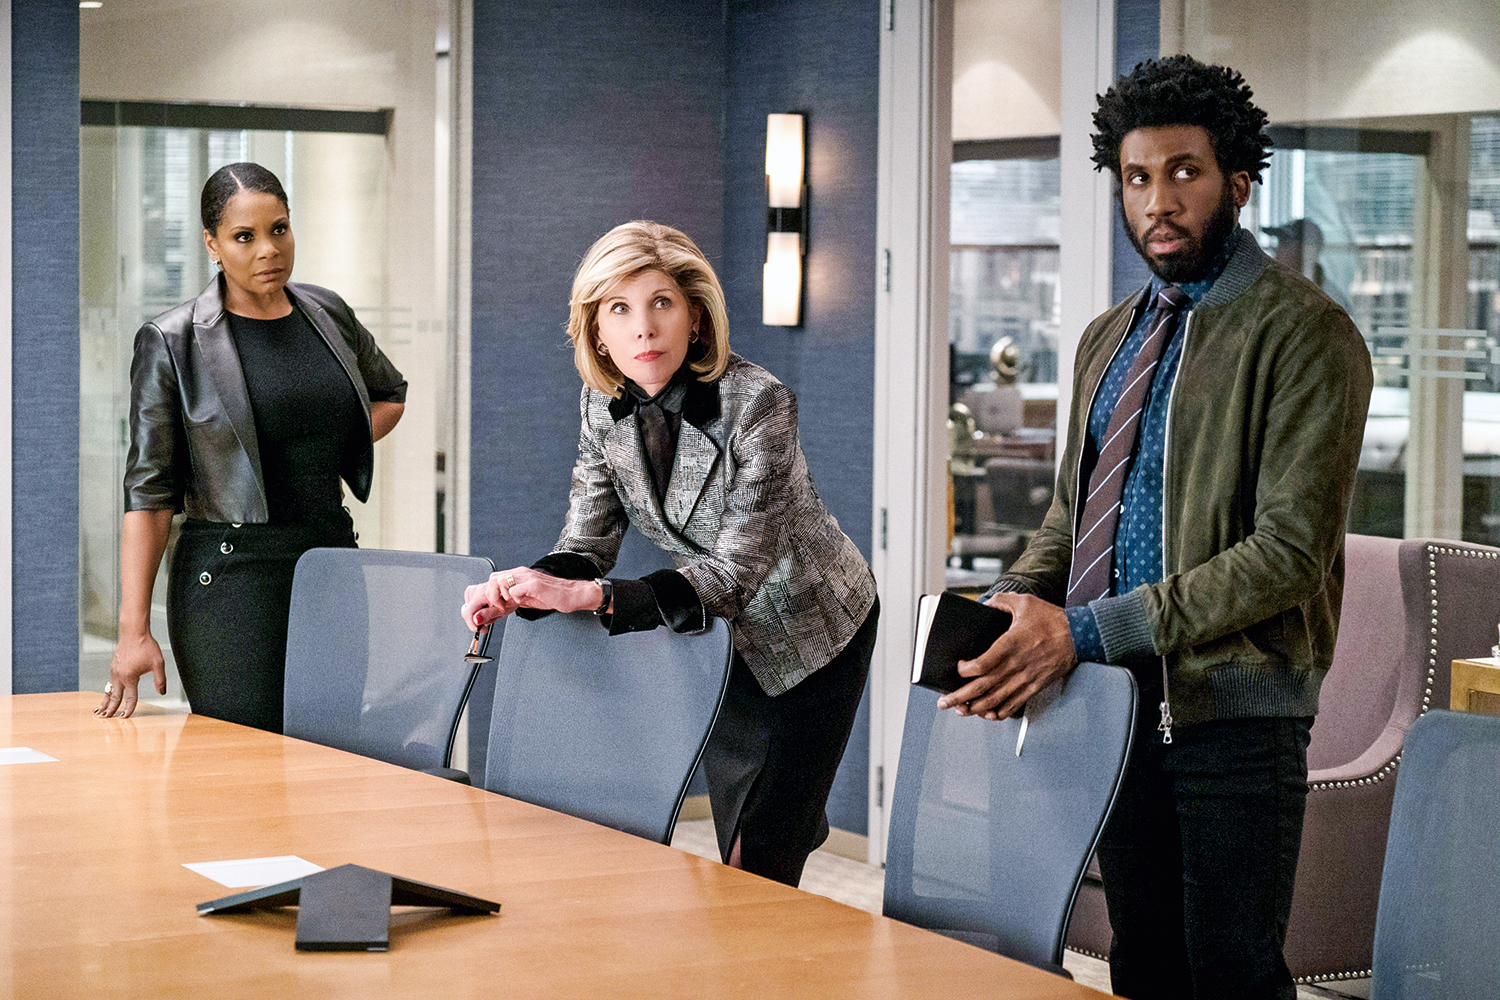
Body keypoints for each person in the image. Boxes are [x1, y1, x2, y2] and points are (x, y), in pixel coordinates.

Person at [937, 56, 1372, 1000]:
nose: (1158, 201)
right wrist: (1017, 600)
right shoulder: (1109, 336)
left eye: (1184, 172)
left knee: (1232, 975)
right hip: (1111, 703)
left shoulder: (1306, 334)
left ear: (1238, 183)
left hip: (1234, 718)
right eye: (1137, 177)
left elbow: (1288, 555)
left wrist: (1081, 631)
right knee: (1141, 966)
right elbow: (1073, 515)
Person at [461, 221, 878, 888]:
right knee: (739, 823)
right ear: (597, 332)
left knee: (760, 854)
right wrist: (526, 585)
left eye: (661, 303)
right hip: (715, 634)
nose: (644, 329)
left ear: (696, 317)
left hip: (813, 628)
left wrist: (595, 597)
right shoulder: (601, 405)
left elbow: (737, 570)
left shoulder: (759, 402)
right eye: (619, 309)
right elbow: (587, 542)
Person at [96, 162, 407, 730]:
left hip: (331, 559)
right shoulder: (171, 340)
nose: (268, 249)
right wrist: (132, 630)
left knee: (336, 748)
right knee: (244, 758)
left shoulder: (327, 313)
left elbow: (389, 394)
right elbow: (149, 492)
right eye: (244, 236)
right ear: (212, 244)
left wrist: (325, 447)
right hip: (231, 573)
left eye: (279, 229)